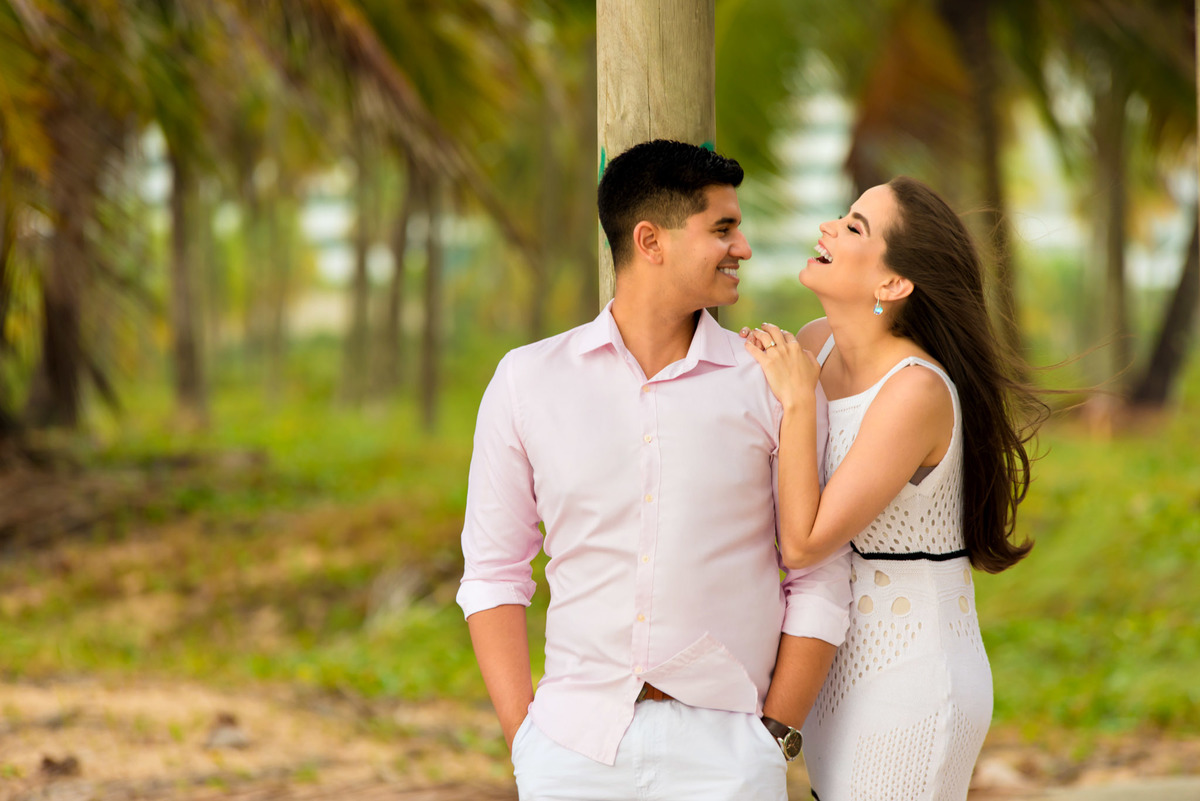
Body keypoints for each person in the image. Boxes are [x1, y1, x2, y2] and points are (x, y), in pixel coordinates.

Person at [457, 139, 853, 801]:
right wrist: (524, 739)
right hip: (572, 748)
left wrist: (775, 734)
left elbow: (818, 573)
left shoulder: (772, 383)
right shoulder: (527, 381)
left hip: (728, 753)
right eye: (722, 229)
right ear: (650, 241)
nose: (742, 247)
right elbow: (493, 571)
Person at [742, 176, 1045, 801]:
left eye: (854, 226)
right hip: (830, 661)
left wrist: (797, 401)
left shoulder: (914, 391)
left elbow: (804, 542)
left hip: (912, 673)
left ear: (893, 283)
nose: (828, 227)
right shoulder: (816, 345)